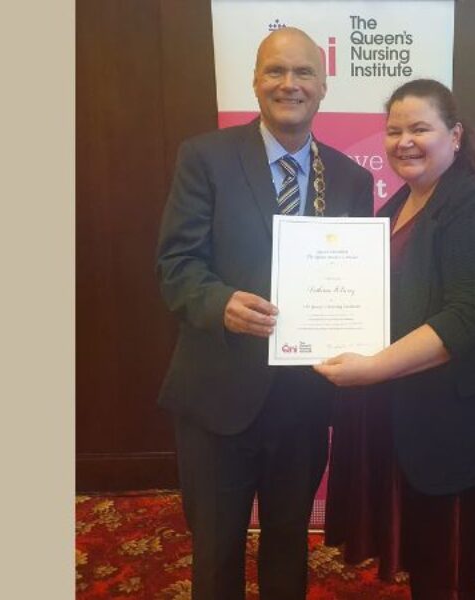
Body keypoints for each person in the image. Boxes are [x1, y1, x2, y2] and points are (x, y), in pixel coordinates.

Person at [155, 27, 373, 600]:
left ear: (323, 86)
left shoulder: (351, 179)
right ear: (255, 82)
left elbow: (355, 283)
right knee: (217, 551)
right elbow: (176, 265)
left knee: (287, 544)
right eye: (275, 71)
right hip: (217, 398)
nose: (289, 84)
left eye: (303, 72)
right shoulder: (205, 158)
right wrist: (219, 302)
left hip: (302, 402)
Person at [315, 79, 475, 599]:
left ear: (456, 134)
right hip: (409, 418)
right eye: (394, 130)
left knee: (451, 569)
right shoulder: (397, 206)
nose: (405, 141)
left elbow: (464, 320)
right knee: (428, 560)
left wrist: (371, 369)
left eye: (420, 128)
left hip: (459, 429)